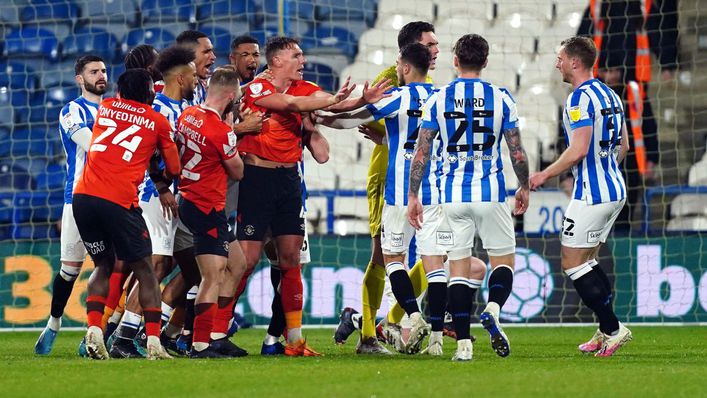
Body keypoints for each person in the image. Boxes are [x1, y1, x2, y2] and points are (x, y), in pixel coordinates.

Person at [236, 36, 368, 356]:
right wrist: (332, 102)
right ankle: (211, 332)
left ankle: (285, 339)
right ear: (277, 60)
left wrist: (363, 100)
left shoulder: (303, 88)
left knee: (291, 263)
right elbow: (297, 105)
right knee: (247, 262)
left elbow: (330, 114)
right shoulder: (255, 89)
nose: (303, 60)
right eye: (297, 55)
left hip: (291, 185)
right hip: (255, 181)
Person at [409, 34, 530, 361]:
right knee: (503, 262)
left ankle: (462, 346)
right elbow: (516, 150)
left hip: (451, 197)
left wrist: (413, 195)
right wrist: (525, 186)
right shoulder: (501, 98)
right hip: (490, 193)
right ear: (486, 61)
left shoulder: (438, 99)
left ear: (455, 60)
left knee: (458, 271)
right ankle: (492, 307)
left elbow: (422, 152)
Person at [318, 43, 440, 355]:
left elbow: (348, 120)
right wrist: (388, 137)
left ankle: (411, 317)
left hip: (400, 193)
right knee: (437, 262)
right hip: (435, 193)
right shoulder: (442, 99)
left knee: (393, 259)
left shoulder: (397, 96)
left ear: (406, 68)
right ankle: (436, 337)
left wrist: (317, 116)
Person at [529, 36, 632, 357]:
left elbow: (579, 149)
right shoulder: (610, 95)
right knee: (588, 261)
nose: (557, 63)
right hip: (615, 188)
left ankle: (614, 328)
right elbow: (624, 146)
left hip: (592, 194)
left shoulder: (579, 100)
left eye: (560, 58)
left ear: (575, 62)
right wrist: (602, 170)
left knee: (572, 263)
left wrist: (544, 174)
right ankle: (604, 329)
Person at [72, 68, 180, 360]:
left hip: (83, 197)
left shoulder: (105, 106)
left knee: (103, 265)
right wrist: (160, 171)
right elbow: (175, 168)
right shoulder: (157, 120)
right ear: (149, 92)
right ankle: (155, 342)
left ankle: (94, 329)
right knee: (146, 269)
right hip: (119, 199)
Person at [109, 45, 197, 358]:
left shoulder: (183, 110)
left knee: (191, 264)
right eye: (194, 75)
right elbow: (147, 156)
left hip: (176, 198)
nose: (198, 80)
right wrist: (162, 188)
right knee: (155, 265)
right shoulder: (157, 110)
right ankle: (122, 337)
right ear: (182, 78)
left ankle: (158, 333)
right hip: (155, 197)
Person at [34, 55, 108, 355]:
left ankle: (97, 333)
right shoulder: (71, 110)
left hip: (112, 198)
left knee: (115, 265)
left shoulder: (114, 108)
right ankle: (53, 322)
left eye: (103, 70)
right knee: (70, 269)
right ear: (80, 78)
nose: (101, 75)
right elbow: (93, 145)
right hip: (77, 197)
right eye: (94, 72)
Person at [176, 67, 251, 358]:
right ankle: (200, 344)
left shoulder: (188, 115)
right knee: (213, 275)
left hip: (193, 200)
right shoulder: (221, 131)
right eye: (239, 96)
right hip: (205, 206)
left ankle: (217, 335)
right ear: (231, 96)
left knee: (238, 264)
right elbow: (238, 171)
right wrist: (233, 133)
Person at [176, 30, 216, 105]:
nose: (213, 57)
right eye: (206, 52)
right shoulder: (162, 89)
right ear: (187, 54)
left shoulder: (202, 87)